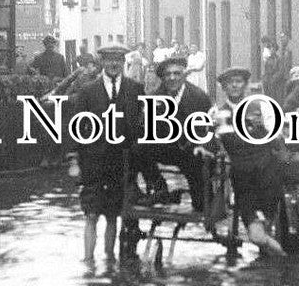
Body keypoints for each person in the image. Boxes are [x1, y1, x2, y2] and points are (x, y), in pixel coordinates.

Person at [67, 43, 145, 260]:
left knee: (113, 215)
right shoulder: (87, 92)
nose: (113, 64)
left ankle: (110, 260)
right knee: (91, 214)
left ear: (123, 63)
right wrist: (73, 160)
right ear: (102, 62)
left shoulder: (135, 90)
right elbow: (75, 128)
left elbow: (141, 128)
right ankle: (89, 262)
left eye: (118, 60)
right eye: (109, 59)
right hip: (93, 163)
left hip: (121, 163)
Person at [212, 67, 286, 258]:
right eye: (230, 82)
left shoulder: (260, 106)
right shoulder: (220, 114)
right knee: (256, 234)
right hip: (243, 176)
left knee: (267, 213)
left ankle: (270, 244)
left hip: (267, 171)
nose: (235, 85)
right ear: (224, 88)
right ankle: (279, 254)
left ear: (245, 85)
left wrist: (271, 134)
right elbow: (216, 143)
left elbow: (277, 136)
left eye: (239, 81)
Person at [139, 56, 213, 210]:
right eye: (168, 74)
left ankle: (202, 202)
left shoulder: (199, 97)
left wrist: (200, 144)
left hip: (190, 147)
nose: (172, 78)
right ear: (163, 77)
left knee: (198, 160)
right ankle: (160, 188)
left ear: (184, 75)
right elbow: (149, 129)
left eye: (177, 73)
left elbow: (207, 129)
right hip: (166, 147)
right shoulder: (156, 97)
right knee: (137, 147)